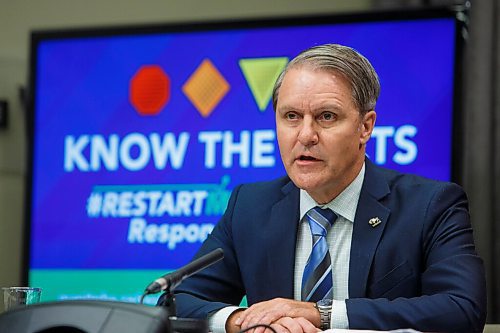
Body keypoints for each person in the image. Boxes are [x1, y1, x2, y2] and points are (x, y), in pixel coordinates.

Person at [157, 44, 487, 333]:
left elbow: (461, 308)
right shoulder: (250, 206)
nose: (305, 135)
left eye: (326, 116)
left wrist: (321, 314)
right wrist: (245, 320)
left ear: (365, 126)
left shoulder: (430, 205)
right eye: (291, 116)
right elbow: (178, 301)